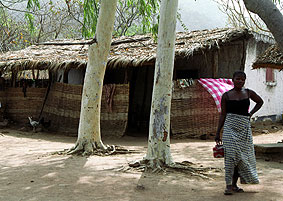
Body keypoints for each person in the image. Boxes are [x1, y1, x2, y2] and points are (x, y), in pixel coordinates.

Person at [215, 70, 264, 195]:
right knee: (230, 157)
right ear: (233, 80)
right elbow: (223, 114)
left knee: (241, 158)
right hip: (229, 128)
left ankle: (235, 185)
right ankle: (228, 185)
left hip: (244, 129)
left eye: (243, 79)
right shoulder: (226, 95)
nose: (240, 81)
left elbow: (260, 102)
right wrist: (217, 133)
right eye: (238, 79)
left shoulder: (248, 93)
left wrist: (251, 113)